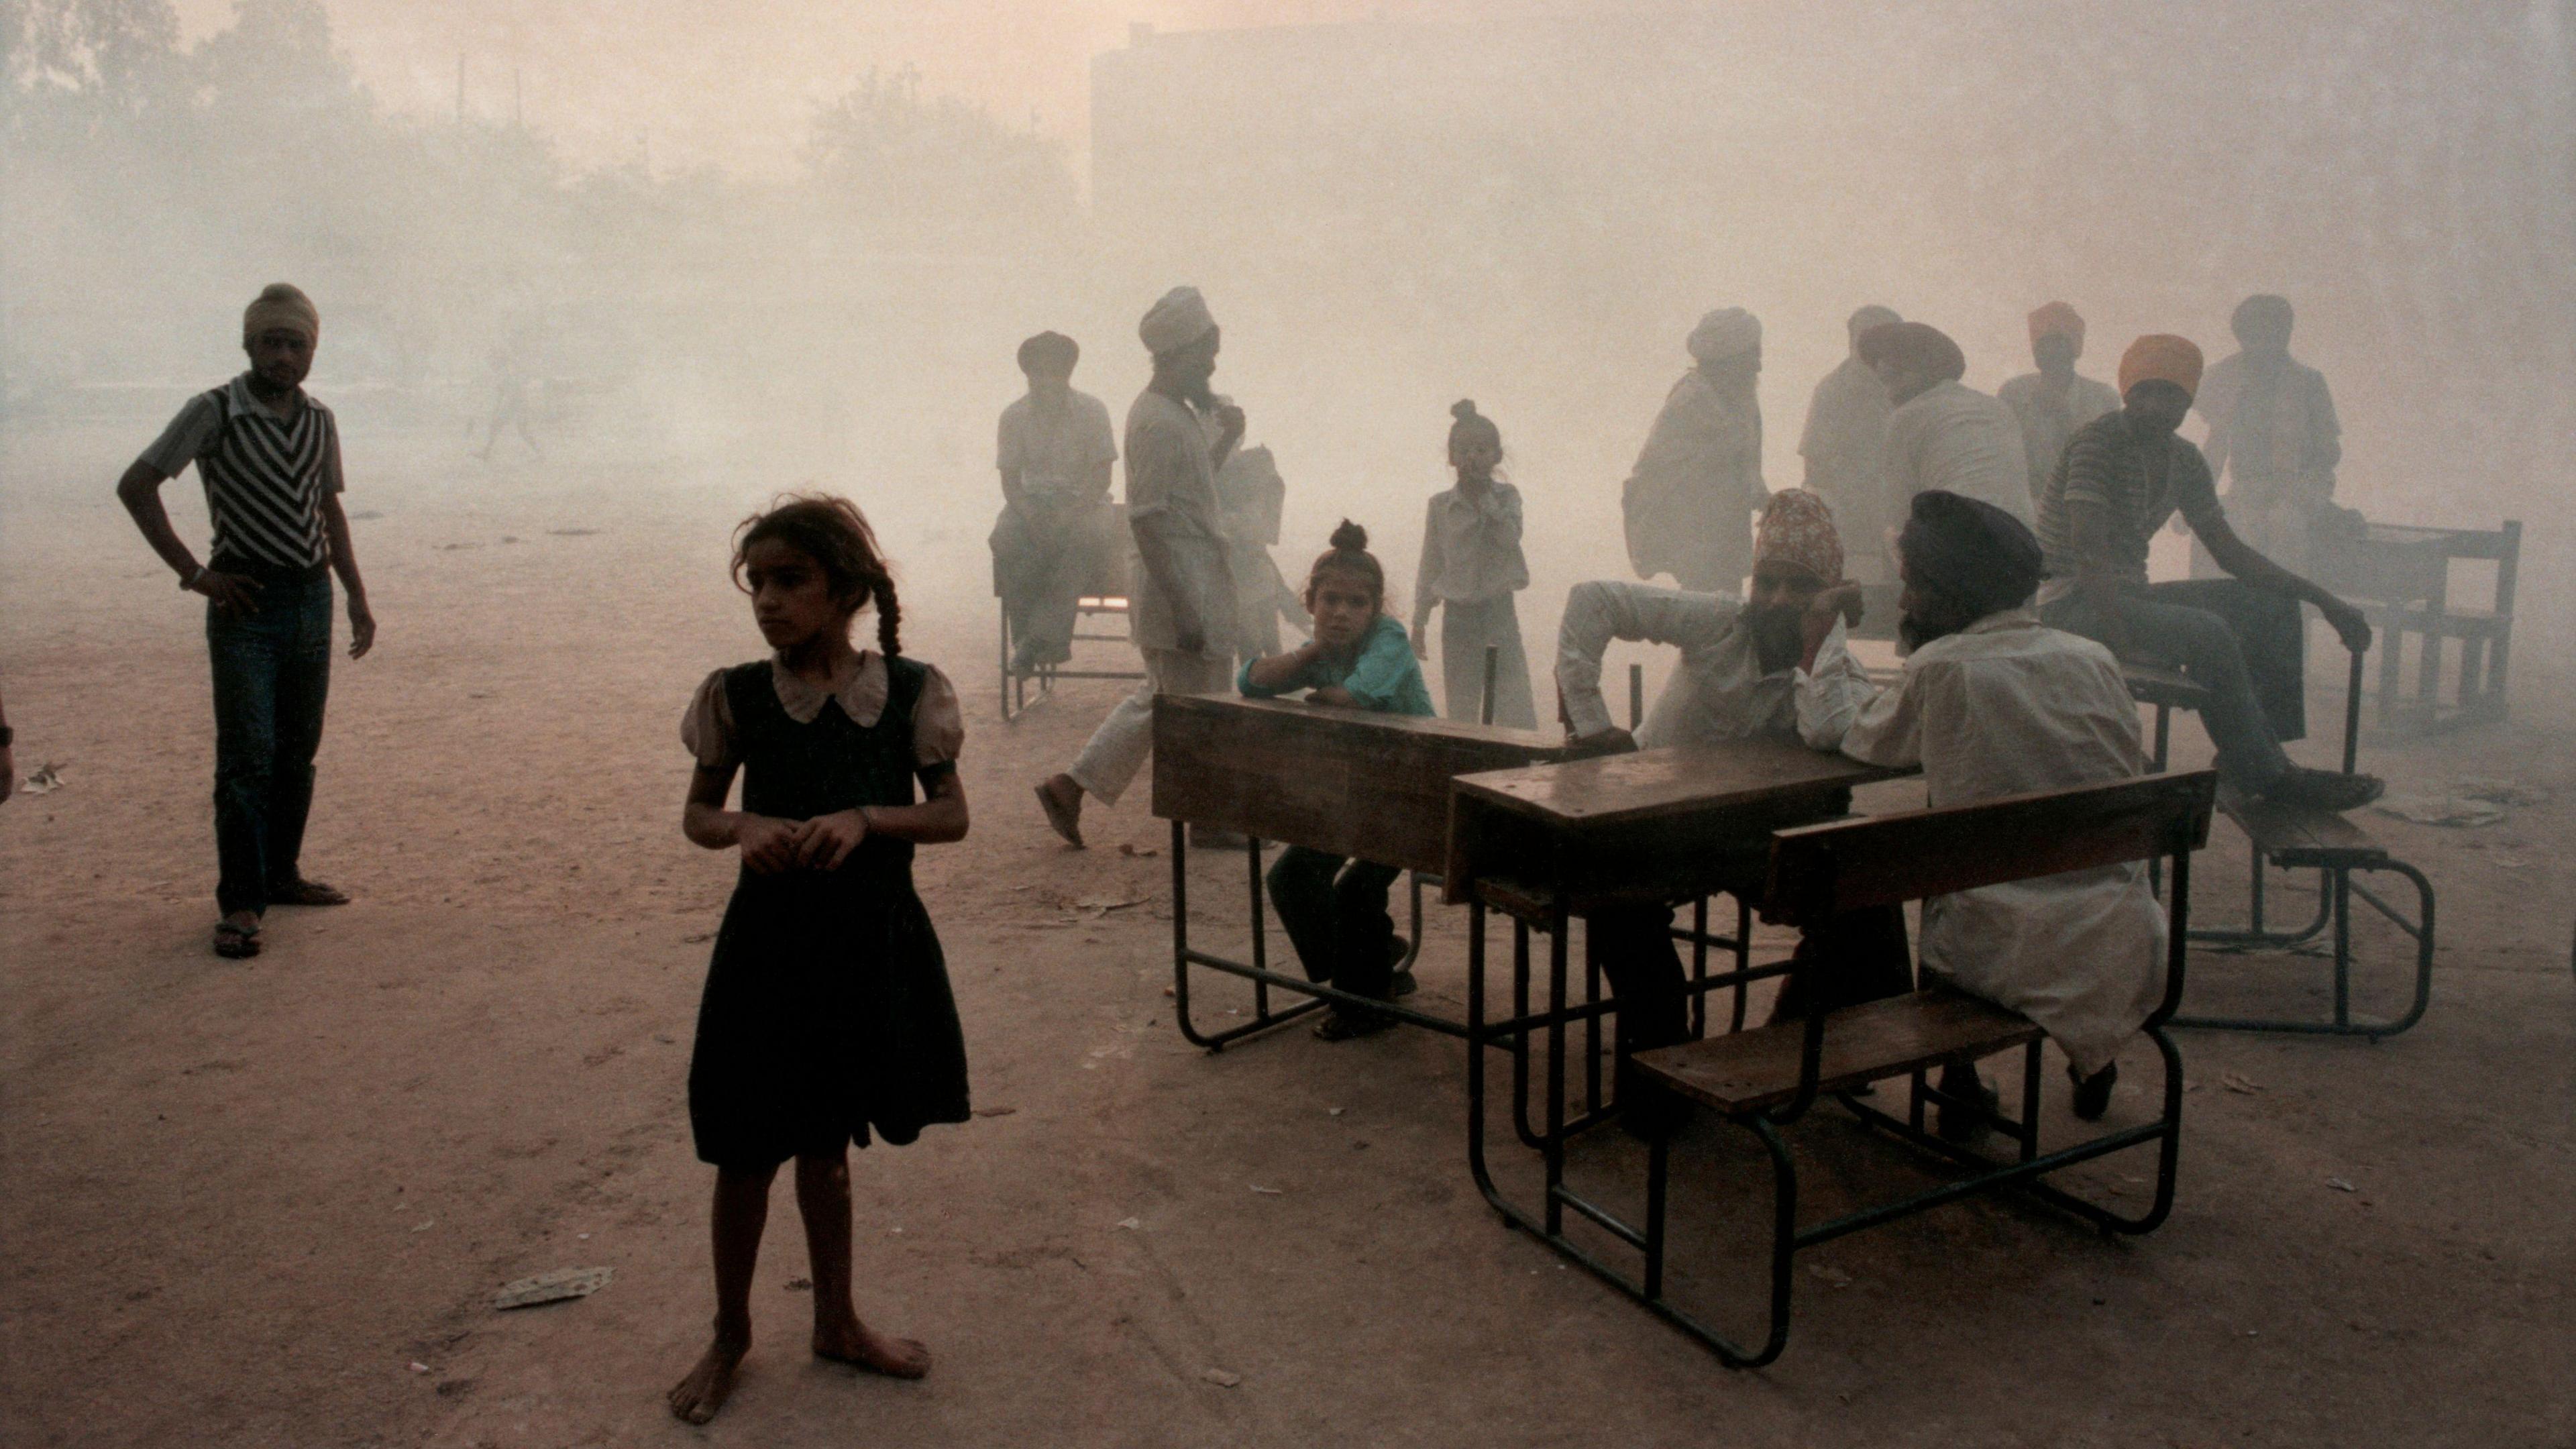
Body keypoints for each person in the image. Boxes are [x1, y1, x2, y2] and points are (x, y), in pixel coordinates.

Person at [667, 494, 969, 1425]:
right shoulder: (739, 696)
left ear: (842, 589)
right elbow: (699, 814)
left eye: (789, 580)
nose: (767, 601)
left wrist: (867, 818)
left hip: (867, 945)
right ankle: (730, 1334)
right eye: (756, 583)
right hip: (768, 950)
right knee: (745, 1153)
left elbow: (951, 816)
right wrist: (745, 827)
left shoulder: (912, 691)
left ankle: (837, 1320)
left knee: (829, 1147)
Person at [1801, 490, 2165, 1136]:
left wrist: (1825, 639)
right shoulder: (2093, 658)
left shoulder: (1944, 669)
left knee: (1953, 886)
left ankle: (1961, 1078)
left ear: (1948, 593)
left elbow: (1849, 732)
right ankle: (2089, 1054)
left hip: (2001, 949)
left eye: (1912, 586)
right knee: (2006, 857)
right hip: (2119, 928)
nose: (1906, 602)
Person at [1556, 489, 1909, 1069]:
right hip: (1652, 825)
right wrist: (1595, 728)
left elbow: (1834, 731)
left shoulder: (1835, 667)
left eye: (1799, 588)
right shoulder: (1721, 620)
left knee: (1867, 903)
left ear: (1827, 596)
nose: (1776, 600)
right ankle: (1661, 1055)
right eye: (1766, 582)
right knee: (1617, 905)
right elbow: (1592, 602)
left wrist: (1822, 637)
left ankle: (1783, 1053)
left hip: (1747, 838)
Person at [114, 283, 377, 960]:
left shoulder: (320, 419)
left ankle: (281, 875)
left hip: (310, 595)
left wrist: (354, 593)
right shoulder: (214, 411)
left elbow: (328, 511)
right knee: (246, 758)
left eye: (296, 344)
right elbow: (136, 485)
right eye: (271, 342)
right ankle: (240, 902)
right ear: (248, 344)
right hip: (245, 601)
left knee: (297, 751)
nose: (283, 356)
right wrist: (195, 574)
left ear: (312, 351)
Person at [2036, 335, 2381, 811]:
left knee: (2271, 606)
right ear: (2126, 393)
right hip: (2071, 604)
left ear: (2189, 400)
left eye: (2171, 395)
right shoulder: (2098, 443)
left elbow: (2232, 553)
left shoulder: (2185, 460)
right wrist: (2123, 641)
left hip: (2129, 597)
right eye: (2145, 392)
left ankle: (2255, 758)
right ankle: (2269, 774)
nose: (2157, 406)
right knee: (2207, 630)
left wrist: (2324, 600)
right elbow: (2087, 552)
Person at [1034, 289, 1242, 847]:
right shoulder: (1153, 421)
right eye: (1206, 355)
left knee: (1170, 700)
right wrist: (1184, 607)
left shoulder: (1177, 415)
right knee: (1193, 707)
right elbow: (1148, 523)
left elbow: (1191, 494)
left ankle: (1073, 787)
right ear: (1177, 355)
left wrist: (1227, 442)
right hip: (1179, 582)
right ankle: (1203, 816)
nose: (1212, 366)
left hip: (1196, 575)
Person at [1240, 521, 1436, 1040]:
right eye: (1330, 600)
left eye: (1356, 603)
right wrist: (1308, 654)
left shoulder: (1389, 640)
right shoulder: (1321, 649)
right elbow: (1250, 682)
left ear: (1375, 610)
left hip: (1416, 793)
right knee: (1291, 879)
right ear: (1310, 602)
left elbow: (1357, 696)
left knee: (1353, 890)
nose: (1342, 613)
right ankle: (1376, 958)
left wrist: (1316, 682)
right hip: (1362, 795)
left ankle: (1368, 1003)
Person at [990, 331, 1119, 673]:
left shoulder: (1093, 411)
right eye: (1039, 373)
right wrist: (1031, 515)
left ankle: (1033, 641)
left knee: (1084, 537)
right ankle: (1032, 641)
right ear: (1028, 374)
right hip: (1030, 503)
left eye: (1055, 372)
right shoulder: (1013, 416)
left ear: (1068, 373)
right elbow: (1010, 483)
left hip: (1086, 503)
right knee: (1005, 537)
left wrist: (1069, 515)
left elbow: (1102, 477)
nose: (1047, 381)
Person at [2190, 294, 2342, 576]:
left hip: (2301, 490)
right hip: (2246, 490)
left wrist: (2300, 486)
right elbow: (2216, 443)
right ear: (2242, 337)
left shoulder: (2310, 382)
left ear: (2285, 335)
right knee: (2234, 535)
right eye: (2255, 336)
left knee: (2285, 528)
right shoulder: (2223, 377)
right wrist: (2195, 496)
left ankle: (2286, 614)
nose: (2265, 345)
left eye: (2273, 334)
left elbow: (2329, 450)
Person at [1622, 308, 1766, 596]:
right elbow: (1666, 473)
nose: (1758, 367)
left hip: (1724, 533)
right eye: (1751, 356)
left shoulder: (1738, 398)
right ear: (1727, 361)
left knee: (1723, 616)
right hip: (1698, 539)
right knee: (1707, 616)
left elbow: (1744, 466)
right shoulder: (1693, 401)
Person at [1411, 400, 1536, 727]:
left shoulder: (1508, 497)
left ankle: (1520, 769)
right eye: (1463, 449)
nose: (1472, 457)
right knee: (1462, 706)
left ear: (1496, 455)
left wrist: (1486, 502)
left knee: (1514, 703)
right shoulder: (1440, 506)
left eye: (1481, 449)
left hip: (1499, 611)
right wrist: (1420, 621)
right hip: (1458, 618)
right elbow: (1430, 562)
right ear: (1451, 456)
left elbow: (1510, 539)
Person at [1862, 319, 2034, 527]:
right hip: (2023, 544)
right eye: (1884, 381)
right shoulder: (1997, 407)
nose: (1889, 393)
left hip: (1956, 541)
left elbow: (1897, 518)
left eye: (1894, 376)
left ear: (1924, 371)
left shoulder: (1906, 419)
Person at [1797, 305, 1904, 584]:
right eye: (1866, 339)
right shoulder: (1832, 391)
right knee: (1863, 606)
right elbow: (1815, 463)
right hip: (1852, 524)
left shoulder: (1909, 386)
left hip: (1902, 516)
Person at [1997, 303, 2121, 508]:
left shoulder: (2103, 398)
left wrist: (2066, 418)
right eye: (2043, 345)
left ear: (2074, 349)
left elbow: (2108, 459)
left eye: (2058, 343)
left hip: (2083, 507)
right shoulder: (2014, 393)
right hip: (2023, 507)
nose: (2050, 352)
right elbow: (2003, 453)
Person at [1214, 441, 1309, 661]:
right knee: (1252, 643)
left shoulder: (1247, 511)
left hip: (1257, 580)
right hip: (1240, 582)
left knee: (1268, 642)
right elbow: (1251, 551)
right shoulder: (1232, 518)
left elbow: (1259, 552)